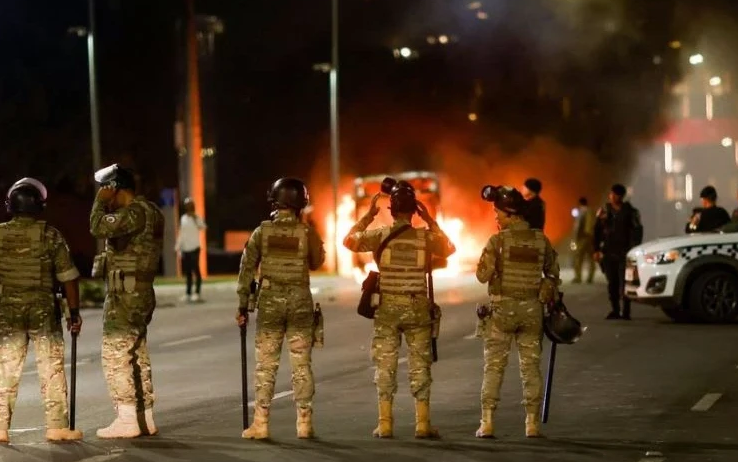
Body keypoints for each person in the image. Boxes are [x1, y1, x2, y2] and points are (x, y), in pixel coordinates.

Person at [0, 178, 83, 444]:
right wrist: (73, 313)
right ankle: (56, 428)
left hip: (8, 312)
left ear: (11, 206)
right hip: (43, 311)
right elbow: (68, 277)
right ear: (40, 207)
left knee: (6, 369)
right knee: (51, 369)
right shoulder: (50, 235)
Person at [343, 179, 455, 439]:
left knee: (385, 365)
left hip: (388, 309)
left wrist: (368, 216)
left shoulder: (380, 235)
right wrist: (430, 220)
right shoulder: (425, 237)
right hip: (417, 308)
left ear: (391, 210)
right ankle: (423, 424)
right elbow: (449, 248)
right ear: (414, 210)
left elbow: (349, 241)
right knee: (420, 365)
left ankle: (385, 424)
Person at [236, 178, 326, 440]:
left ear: (275, 201)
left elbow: (246, 270)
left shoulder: (261, 232)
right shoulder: (307, 233)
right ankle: (304, 423)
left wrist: (243, 305)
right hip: (300, 302)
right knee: (301, 364)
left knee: (266, 365)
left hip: (270, 303)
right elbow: (318, 262)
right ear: (300, 204)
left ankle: (261, 424)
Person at [474, 185, 560, 439]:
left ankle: (487, 423)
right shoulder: (540, 239)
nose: (495, 217)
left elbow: (482, 275)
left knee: (493, 367)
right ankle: (532, 424)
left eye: (498, 212)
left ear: (510, 214)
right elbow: (553, 274)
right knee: (531, 367)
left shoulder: (498, 241)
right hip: (532, 311)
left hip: (502, 312)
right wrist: (546, 287)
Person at [89, 164, 165, 439]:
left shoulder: (133, 213)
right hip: (141, 291)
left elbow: (97, 227)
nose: (100, 192)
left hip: (126, 295)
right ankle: (144, 417)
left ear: (114, 188)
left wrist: (99, 205)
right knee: (137, 355)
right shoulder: (151, 211)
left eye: (104, 188)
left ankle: (127, 418)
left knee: (115, 354)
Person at [593, 184, 643, 320]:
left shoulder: (631, 212)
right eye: (611, 194)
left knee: (625, 282)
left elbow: (637, 231)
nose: (612, 197)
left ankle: (626, 311)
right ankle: (615, 309)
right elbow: (596, 231)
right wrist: (596, 249)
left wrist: (634, 248)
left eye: (615, 194)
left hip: (625, 252)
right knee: (612, 282)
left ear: (621, 196)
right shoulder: (604, 211)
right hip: (608, 252)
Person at [176, 197, 207, 303]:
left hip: (195, 248)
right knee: (188, 272)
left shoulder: (196, 217)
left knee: (196, 270)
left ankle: (197, 293)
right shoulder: (183, 218)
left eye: (190, 205)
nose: (188, 207)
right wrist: (178, 246)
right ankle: (188, 293)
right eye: (186, 206)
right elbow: (181, 234)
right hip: (185, 248)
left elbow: (203, 227)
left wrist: (195, 218)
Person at [571, 196, 597, 284]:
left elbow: (578, 227)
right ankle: (589, 277)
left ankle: (578, 277)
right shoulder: (589, 211)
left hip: (583, 238)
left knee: (578, 257)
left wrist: (576, 238)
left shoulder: (582, 212)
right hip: (589, 238)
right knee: (590, 258)